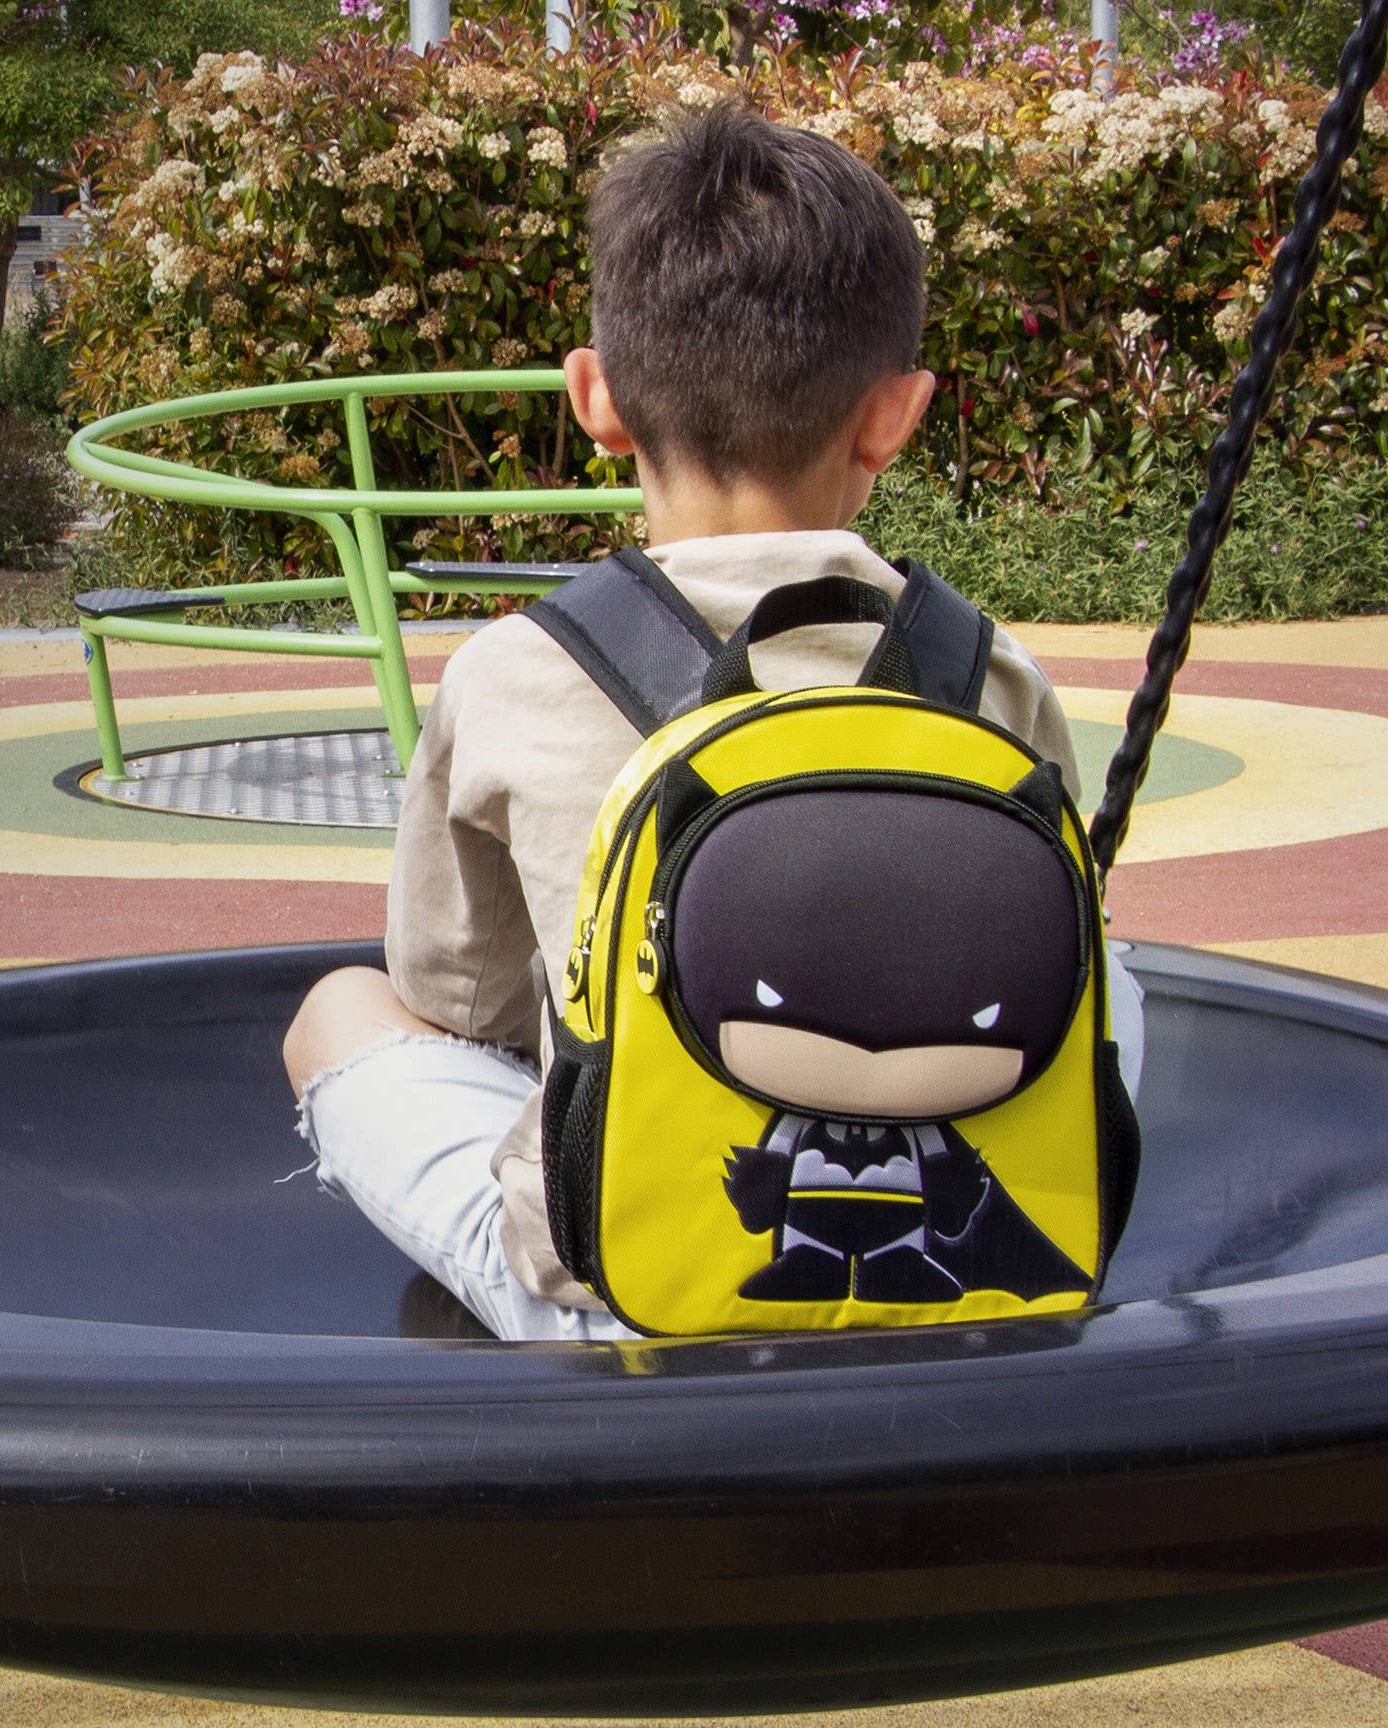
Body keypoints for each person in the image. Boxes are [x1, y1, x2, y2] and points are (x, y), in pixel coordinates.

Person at [283, 103, 1144, 1342]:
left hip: (626, 1292)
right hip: (963, 1273)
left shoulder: (514, 671)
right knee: (1115, 973)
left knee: (342, 1008)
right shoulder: (990, 673)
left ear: (596, 399)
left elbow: (456, 995)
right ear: (895, 413)